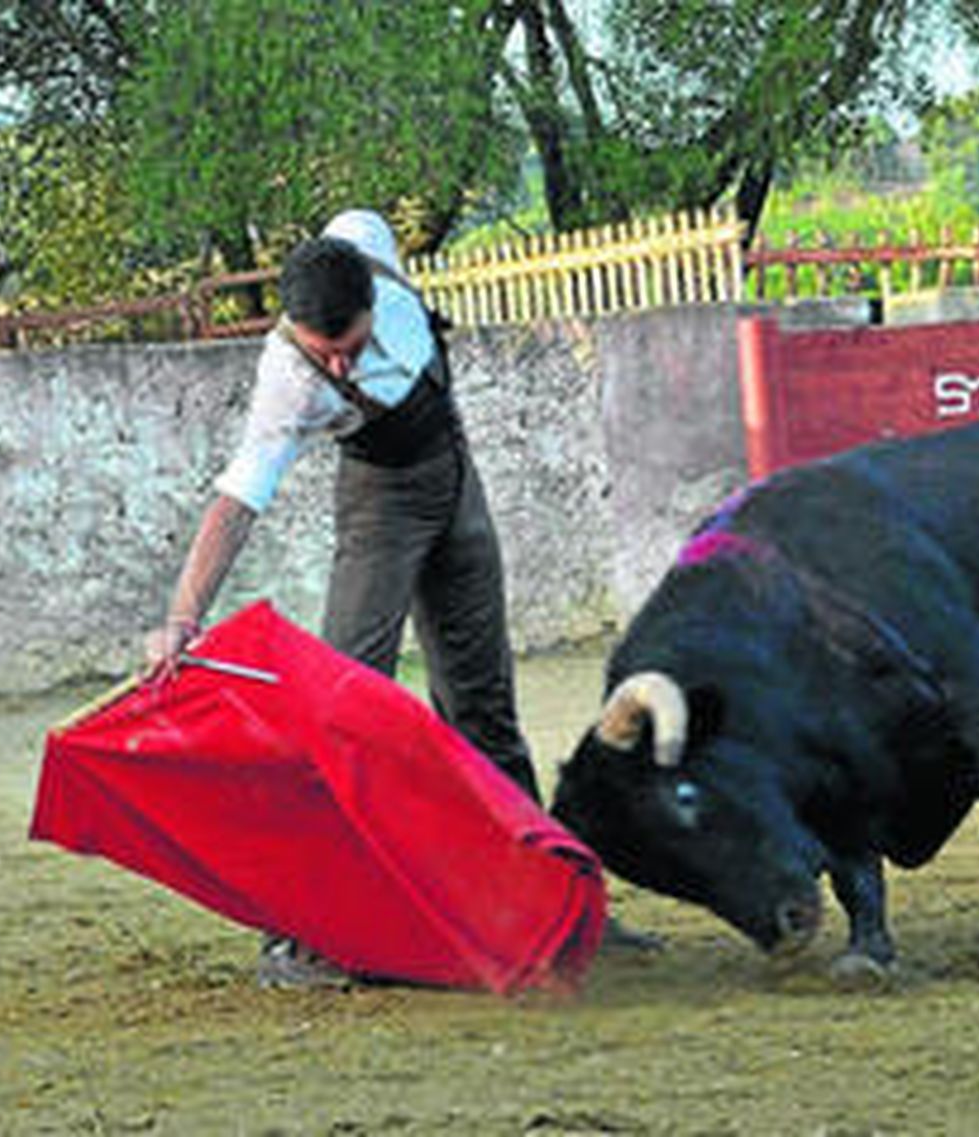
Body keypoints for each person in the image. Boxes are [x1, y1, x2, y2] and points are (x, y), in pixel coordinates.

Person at [145, 210, 652, 987]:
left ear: (374, 298)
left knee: (484, 705)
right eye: (326, 357)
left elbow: (360, 229)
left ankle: (554, 900)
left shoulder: (370, 250)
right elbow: (240, 496)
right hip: (381, 506)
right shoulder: (286, 380)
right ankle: (296, 937)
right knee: (342, 711)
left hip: (457, 485)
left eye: (350, 349)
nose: (341, 371)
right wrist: (183, 616)